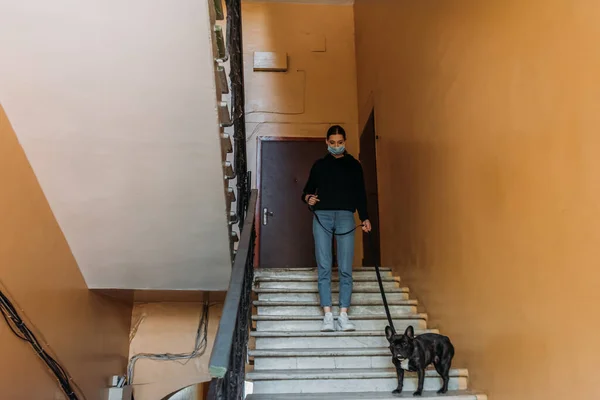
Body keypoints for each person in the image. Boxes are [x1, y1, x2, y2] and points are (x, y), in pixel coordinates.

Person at [302, 125, 372, 332]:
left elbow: (360, 193)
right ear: (326, 142)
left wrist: (365, 217)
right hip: (322, 216)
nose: (336, 146)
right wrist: (309, 198)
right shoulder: (319, 165)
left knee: (345, 267)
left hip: (345, 216)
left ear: (345, 142)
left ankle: (343, 314)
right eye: (332, 143)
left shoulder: (354, 165)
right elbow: (306, 191)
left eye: (340, 142)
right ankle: (327, 315)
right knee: (324, 266)